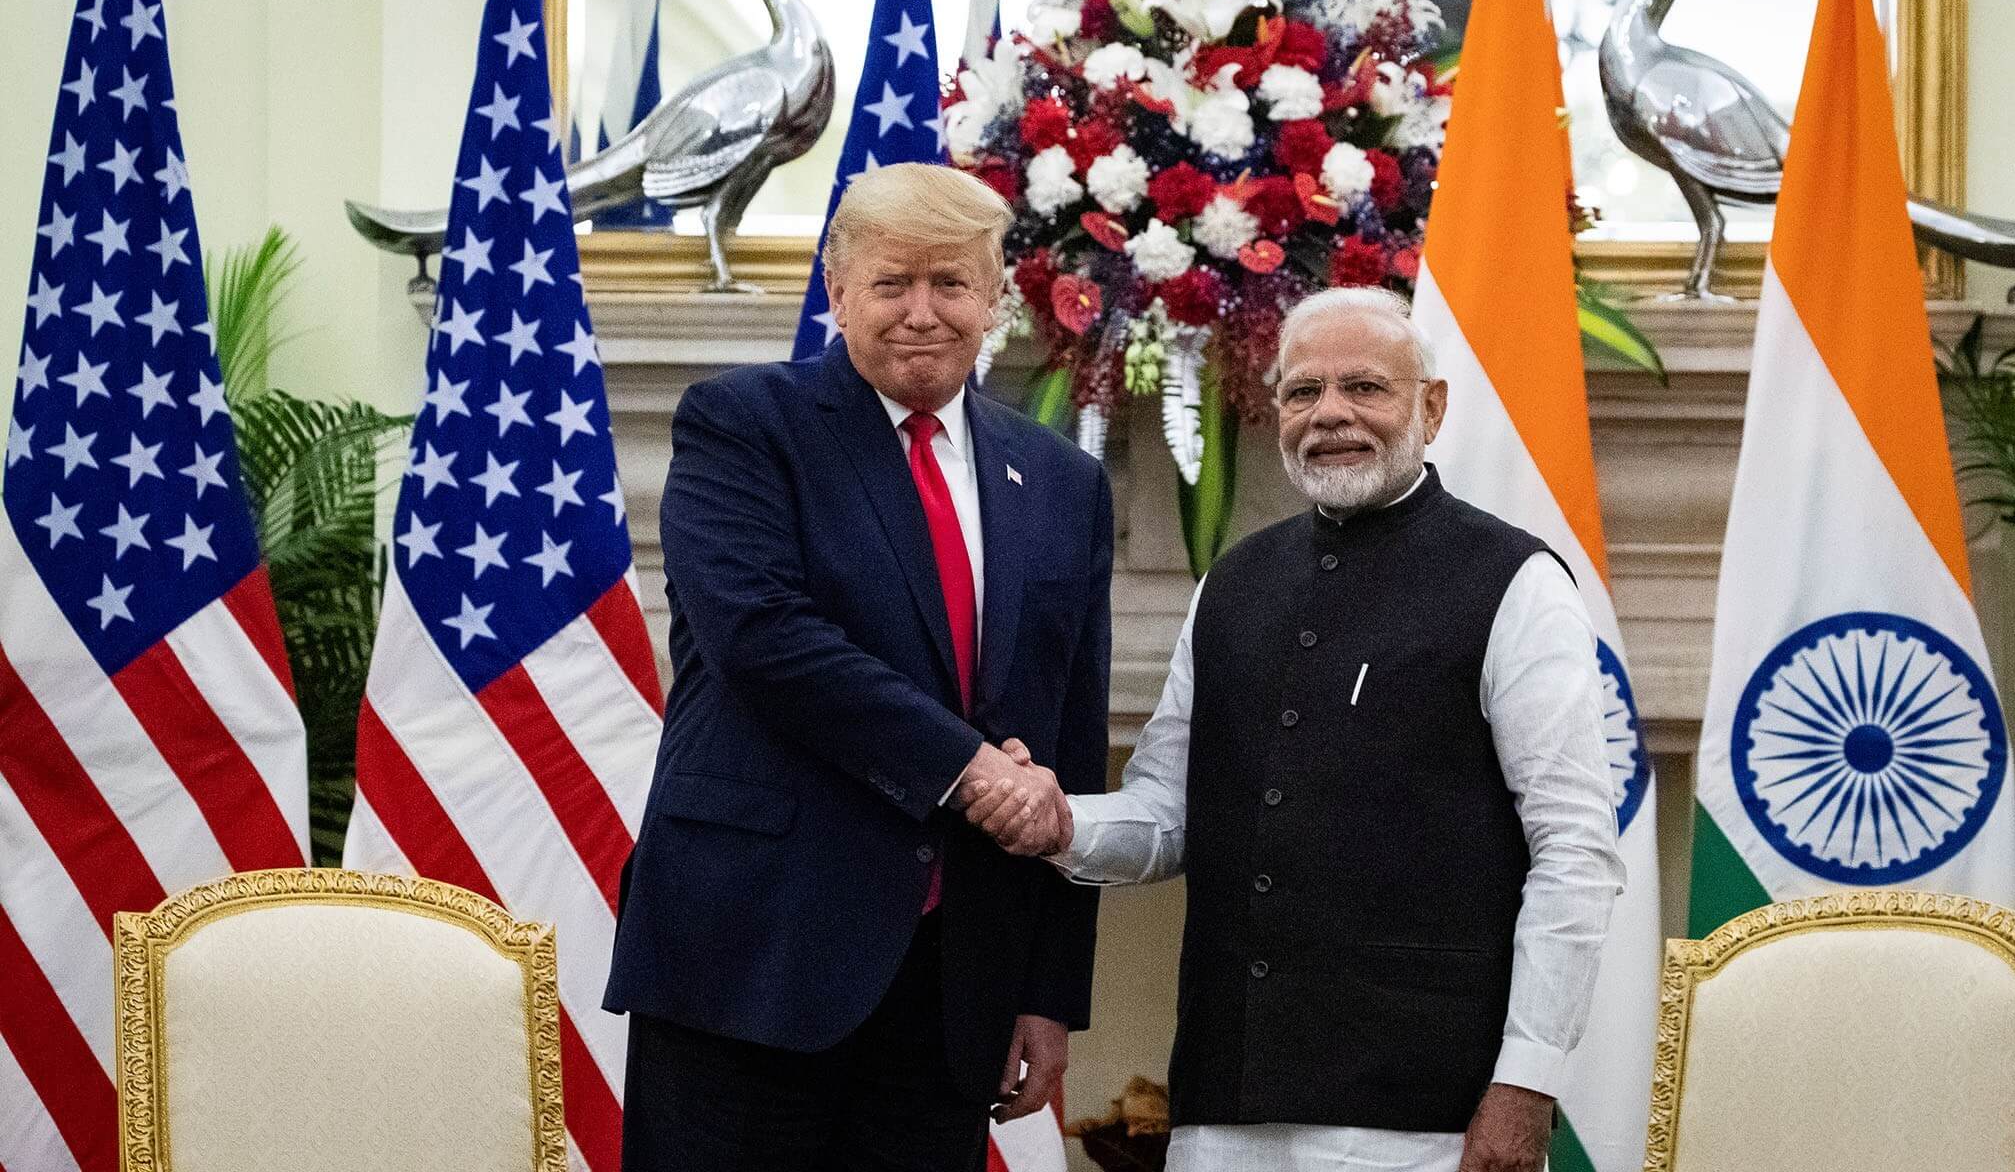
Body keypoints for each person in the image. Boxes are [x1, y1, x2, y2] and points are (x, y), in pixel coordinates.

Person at [973, 286, 1625, 1172]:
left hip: (1423, 1116)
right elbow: (1169, 814)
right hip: (1222, 1104)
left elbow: (1574, 849)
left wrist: (1526, 1083)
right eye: (1301, 392)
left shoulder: (1514, 581)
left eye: (1364, 388)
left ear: (1430, 409)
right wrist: (1061, 824)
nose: (1330, 415)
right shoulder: (1232, 582)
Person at [604, 162, 1112, 1172]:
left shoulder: (1062, 481)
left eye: (950, 283)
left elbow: (1068, 735)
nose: (922, 312)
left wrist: (1047, 991)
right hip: (751, 964)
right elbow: (764, 640)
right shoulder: (744, 426)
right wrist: (971, 772)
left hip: (951, 987)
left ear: (994, 298)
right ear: (837, 293)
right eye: (891, 283)